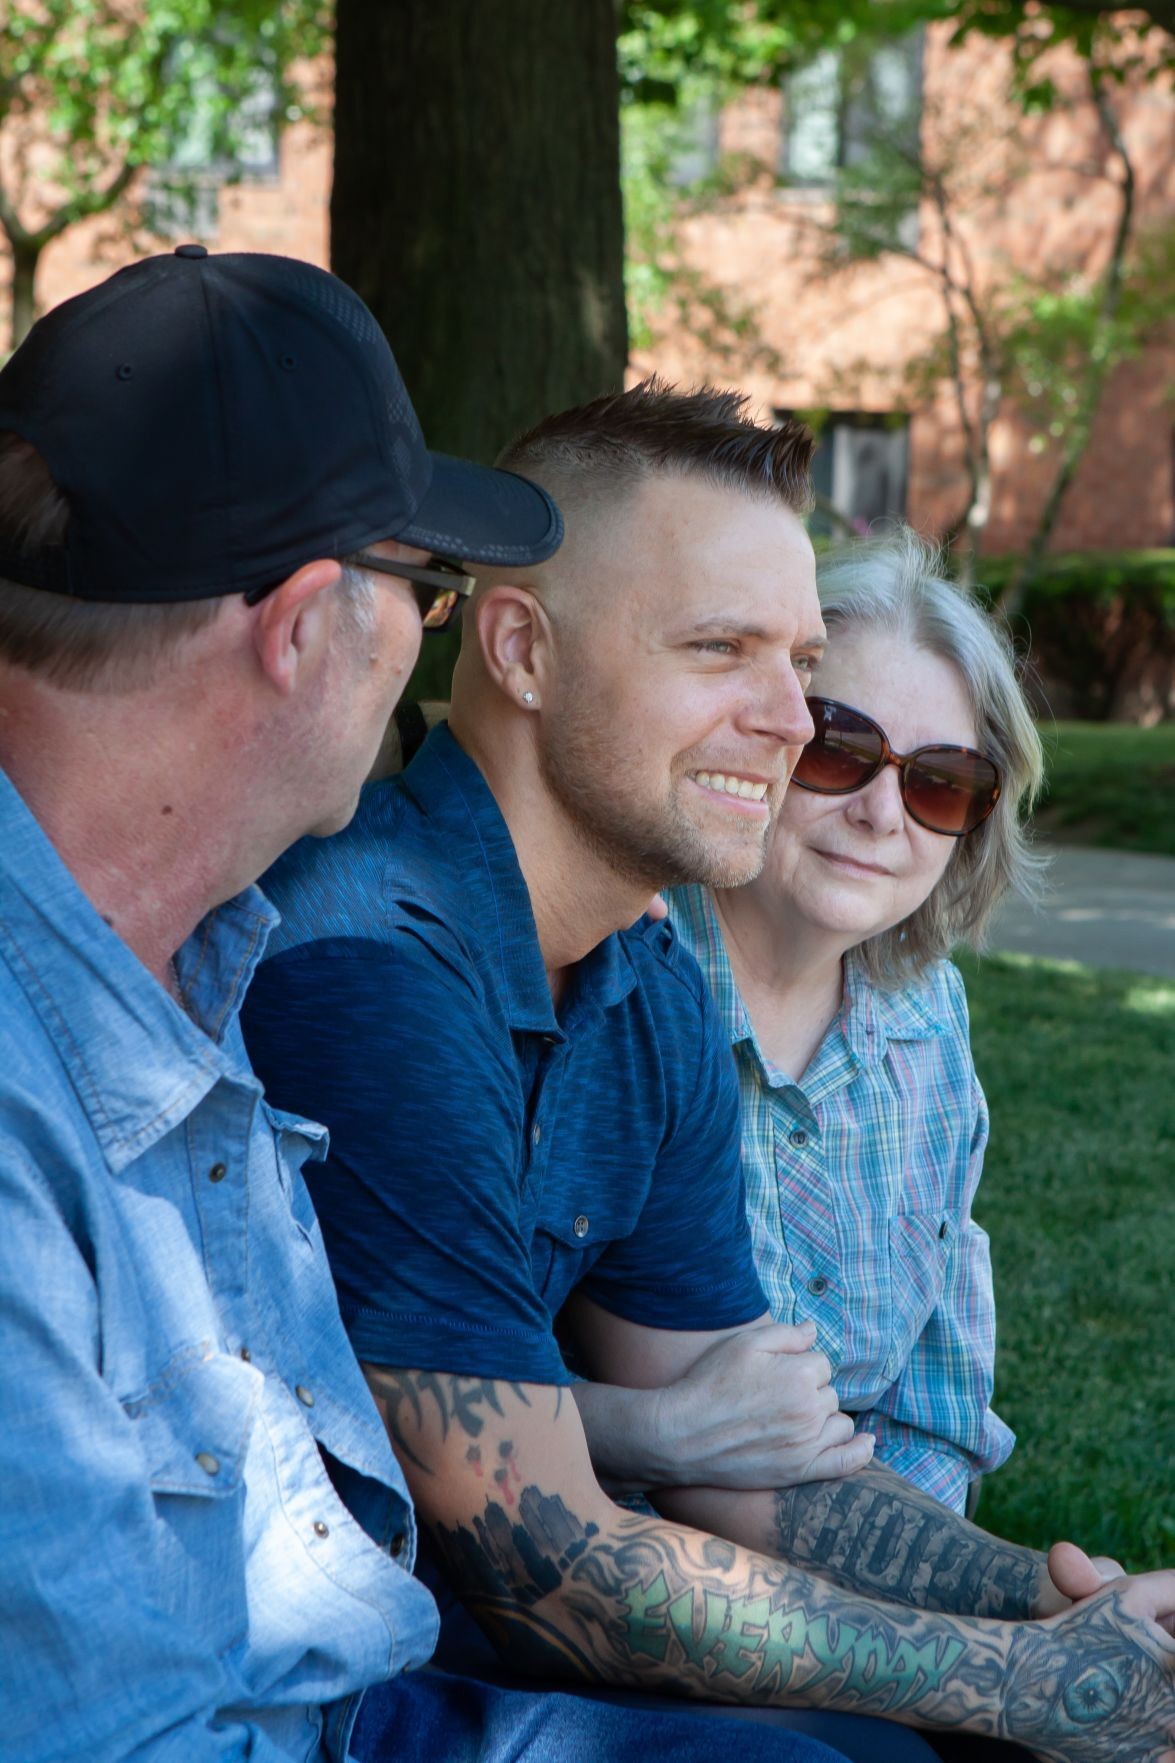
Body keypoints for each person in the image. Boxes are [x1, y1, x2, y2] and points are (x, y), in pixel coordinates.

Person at [241, 380, 1175, 1763]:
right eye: (720, 648)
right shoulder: (375, 952)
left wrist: (1059, 1606)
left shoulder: (644, 974)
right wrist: (1026, 1682)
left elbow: (740, 1468)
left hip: (497, 1642)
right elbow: (547, 1565)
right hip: (331, 1679)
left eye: (797, 659)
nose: (792, 719)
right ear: (520, 649)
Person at [0, 253, 851, 1763]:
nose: (430, 641)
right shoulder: (297, 967)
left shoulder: (197, 955)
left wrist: (1055, 1634)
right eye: (426, 586)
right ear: (307, 623)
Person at [666, 528, 1041, 1516]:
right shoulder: (625, 983)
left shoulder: (927, 1016)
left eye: (938, 781)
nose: (885, 814)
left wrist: (934, 1610)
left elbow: (932, 1415)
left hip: (875, 1601)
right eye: (839, 749)